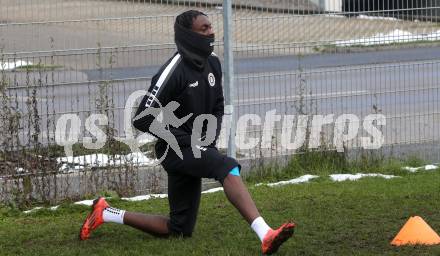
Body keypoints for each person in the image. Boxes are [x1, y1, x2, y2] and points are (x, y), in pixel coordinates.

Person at [79, 10, 295, 254]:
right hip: (175, 150)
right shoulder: (174, 70)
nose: (211, 32)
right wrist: (183, 140)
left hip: (196, 148)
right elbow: (142, 117)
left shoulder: (213, 62)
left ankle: (106, 212)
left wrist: (208, 141)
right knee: (227, 166)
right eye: (204, 29)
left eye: (211, 27)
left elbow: (218, 105)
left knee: (179, 228)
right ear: (188, 35)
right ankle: (266, 234)